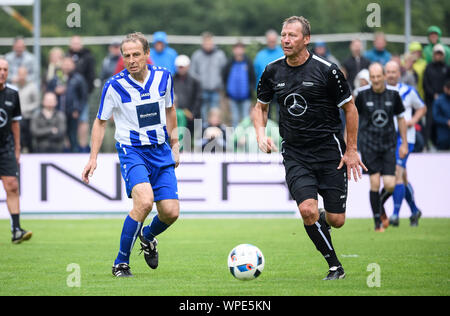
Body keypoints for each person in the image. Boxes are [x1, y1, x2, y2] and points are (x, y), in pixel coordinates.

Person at [254, 16, 367, 280]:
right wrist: (261, 133)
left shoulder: (328, 70)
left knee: (337, 220)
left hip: (329, 151)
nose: (285, 40)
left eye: (292, 35)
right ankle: (334, 265)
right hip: (295, 153)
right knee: (307, 209)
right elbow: (260, 106)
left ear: (306, 39)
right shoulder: (272, 71)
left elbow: (351, 110)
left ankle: (321, 218)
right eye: (283, 35)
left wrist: (351, 150)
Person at [81, 32, 180, 278]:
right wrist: (93, 157)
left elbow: (170, 109)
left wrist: (175, 144)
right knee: (145, 201)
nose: (132, 59)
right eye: (127, 55)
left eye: (137, 54)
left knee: (170, 212)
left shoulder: (163, 77)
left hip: (160, 150)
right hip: (132, 151)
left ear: (147, 54)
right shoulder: (113, 85)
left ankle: (147, 236)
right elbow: (100, 122)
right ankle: (120, 263)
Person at [355, 63, 408, 232]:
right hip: (369, 145)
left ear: (384, 76)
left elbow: (401, 119)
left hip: (388, 145)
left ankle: (379, 208)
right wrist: (351, 145)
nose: (376, 80)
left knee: (390, 184)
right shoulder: (362, 96)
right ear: (370, 78)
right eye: (373, 77)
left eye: (379, 76)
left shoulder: (394, 95)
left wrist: (404, 143)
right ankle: (377, 222)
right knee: (375, 183)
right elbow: (353, 119)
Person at [385, 61, 427, 227]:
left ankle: (395, 215)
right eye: (388, 72)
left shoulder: (408, 91)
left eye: (393, 72)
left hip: (405, 138)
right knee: (402, 176)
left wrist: (413, 121)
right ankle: (415, 211)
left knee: (397, 173)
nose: (390, 75)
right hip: (388, 138)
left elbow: (422, 107)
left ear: (399, 74)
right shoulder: (382, 92)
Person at [0, 57, 32, 244]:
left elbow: (15, 124)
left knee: (12, 185)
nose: (2, 72)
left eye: (5, 69)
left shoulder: (12, 94)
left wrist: (18, 149)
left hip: (5, 148)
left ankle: (16, 230)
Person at [47, 56, 88, 152]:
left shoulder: (78, 79)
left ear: (73, 65)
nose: (67, 66)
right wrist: (55, 91)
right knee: (59, 135)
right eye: (65, 64)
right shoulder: (56, 78)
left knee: (72, 135)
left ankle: (75, 154)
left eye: (69, 64)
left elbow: (83, 97)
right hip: (58, 113)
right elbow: (48, 92)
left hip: (72, 113)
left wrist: (78, 110)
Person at [189, 32, 227, 121]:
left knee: (215, 115)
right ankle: (205, 133)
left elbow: (224, 72)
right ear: (202, 43)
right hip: (202, 91)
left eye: (210, 42)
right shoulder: (197, 55)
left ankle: (215, 133)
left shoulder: (220, 55)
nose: (208, 45)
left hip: (216, 91)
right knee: (203, 114)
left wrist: (220, 85)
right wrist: (198, 85)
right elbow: (192, 72)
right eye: (206, 42)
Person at [68, 35, 96, 153]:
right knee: (68, 121)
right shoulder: (66, 57)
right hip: (69, 97)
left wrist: (86, 92)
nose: (75, 45)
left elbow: (91, 76)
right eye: (73, 43)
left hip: (83, 96)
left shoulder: (88, 57)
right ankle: (70, 146)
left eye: (77, 43)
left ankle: (83, 146)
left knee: (83, 120)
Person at [423, 44, 450, 149]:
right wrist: (433, 94)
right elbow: (426, 84)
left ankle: (439, 144)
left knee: (442, 122)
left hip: (445, 99)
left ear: (443, 55)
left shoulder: (446, 68)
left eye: (440, 54)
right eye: (436, 53)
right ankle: (426, 145)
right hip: (431, 99)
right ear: (433, 54)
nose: (438, 56)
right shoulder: (428, 67)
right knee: (429, 122)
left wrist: (443, 94)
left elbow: (448, 82)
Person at [222, 41, 256, 127]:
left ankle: (246, 138)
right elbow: (224, 77)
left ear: (243, 50)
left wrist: (250, 90)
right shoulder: (229, 63)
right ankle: (236, 139)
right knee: (234, 119)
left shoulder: (248, 62)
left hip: (246, 97)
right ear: (233, 50)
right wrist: (227, 92)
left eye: (240, 49)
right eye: (237, 49)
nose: (239, 51)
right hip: (232, 97)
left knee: (246, 119)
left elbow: (253, 78)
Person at [173, 54, 201, 137]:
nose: (180, 69)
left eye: (182, 67)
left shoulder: (195, 81)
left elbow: (198, 98)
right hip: (177, 114)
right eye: (179, 67)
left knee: (191, 137)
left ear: (188, 66)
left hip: (191, 115)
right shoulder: (171, 80)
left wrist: (193, 113)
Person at [16, 66, 39, 153]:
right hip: (17, 118)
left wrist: (25, 109)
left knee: (29, 140)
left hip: (29, 117)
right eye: (20, 74)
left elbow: (36, 102)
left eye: (23, 74)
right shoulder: (13, 86)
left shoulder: (32, 87)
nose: (21, 76)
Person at [432, 79, 450, 150]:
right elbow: (435, 117)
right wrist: (447, 121)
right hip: (443, 135)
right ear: (445, 89)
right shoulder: (439, 100)